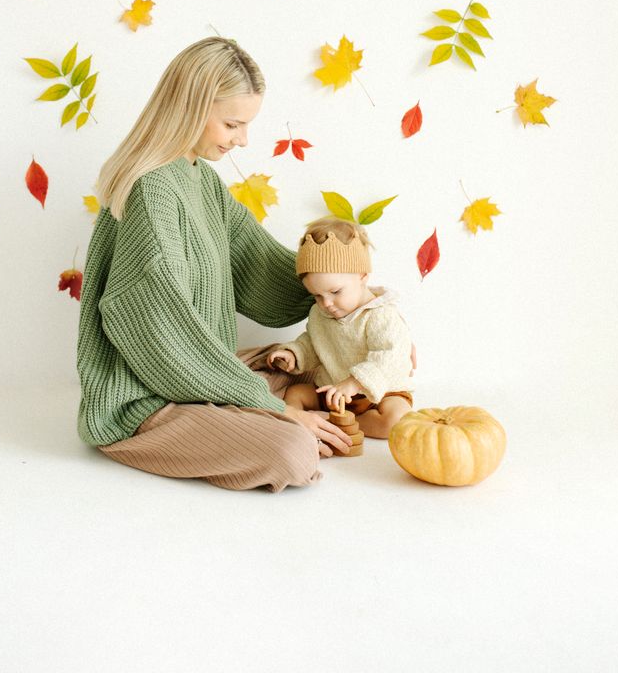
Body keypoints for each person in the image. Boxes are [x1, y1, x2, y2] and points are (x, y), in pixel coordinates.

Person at [76, 35, 357, 494]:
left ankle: (247, 406)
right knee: (292, 453)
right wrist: (277, 411)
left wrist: (363, 304)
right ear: (190, 108)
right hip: (146, 398)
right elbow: (160, 339)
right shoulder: (152, 191)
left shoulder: (200, 180)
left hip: (196, 371)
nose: (242, 140)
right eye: (232, 124)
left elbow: (265, 267)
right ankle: (250, 416)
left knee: (316, 367)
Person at [263, 216, 417, 440]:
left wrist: (355, 383)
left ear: (362, 276)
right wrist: (294, 354)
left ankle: (334, 423)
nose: (326, 303)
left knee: (396, 420)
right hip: (333, 391)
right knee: (296, 392)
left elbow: (389, 357)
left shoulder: (381, 315)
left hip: (379, 393)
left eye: (335, 292)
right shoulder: (320, 314)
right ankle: (299, 422)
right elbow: (313, 342)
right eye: (317, 295)